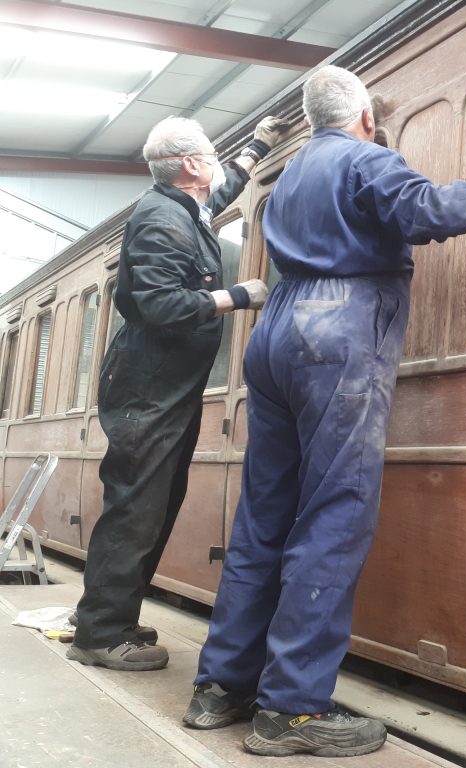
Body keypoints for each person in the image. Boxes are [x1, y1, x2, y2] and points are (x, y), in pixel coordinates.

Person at [183, 65, 466, 758]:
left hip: (275, 333)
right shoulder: (365, 158)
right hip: (338, 330)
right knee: (335, 513)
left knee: (264, 516)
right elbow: (427, 213)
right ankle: (291, 710)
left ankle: (221, 687)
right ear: (361, 114)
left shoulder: (293, 173)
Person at [67, 114, 287, 672]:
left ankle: (110, 612)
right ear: (191, 165)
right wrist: (236, 295)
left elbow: (225, 187)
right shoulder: (162, 219)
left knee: (154, 503)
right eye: (210, 156)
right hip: (149, 386)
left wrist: (257, 145)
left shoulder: (185, 209)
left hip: (164, 384)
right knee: (137, 507)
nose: (216, 165)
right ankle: (99, 633)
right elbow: (162, 305)